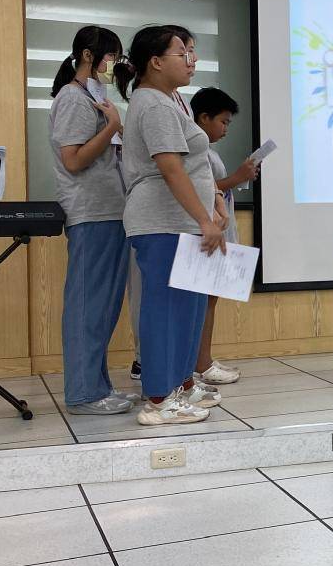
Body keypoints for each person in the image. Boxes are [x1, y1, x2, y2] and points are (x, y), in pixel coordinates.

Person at [115, 25, 227, 425]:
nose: (191, 61)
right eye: (182, 53)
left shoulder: (169, 102)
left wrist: (212, 206)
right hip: (161, 221)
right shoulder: (154, 105)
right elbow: (170, 167)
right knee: (164, 309)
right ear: (156, 62)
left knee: (187, 309)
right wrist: (204, 218)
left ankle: (180, 384)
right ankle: (159, 399)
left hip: (181, 221)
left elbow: (194, 166)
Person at [49, 26, 140, 415]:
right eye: (110, 55)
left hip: (110, 209)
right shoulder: (72, 98)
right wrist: (114, 127)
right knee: (88, 304)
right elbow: (73, 160)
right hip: (90, 212)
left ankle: (97, 386)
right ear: (88, 55)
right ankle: (83, 393)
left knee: (103, 306)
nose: (113, 63)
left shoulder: (94, 96)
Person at [191, 87, 257, 385]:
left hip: (217, 231)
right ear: (203, 117)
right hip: (204, 233)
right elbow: (201, 187)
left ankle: (202, 359)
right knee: (204, 300)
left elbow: (215, 186)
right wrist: (238, 177)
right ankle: (200, 363)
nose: (226, 129)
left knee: (210, 299)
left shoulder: (209, 150)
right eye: (223, 121)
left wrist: (238, 179)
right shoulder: (196, 150)